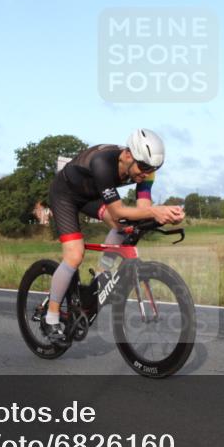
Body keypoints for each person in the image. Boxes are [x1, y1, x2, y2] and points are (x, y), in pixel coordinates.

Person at [44, 128, 184, 345]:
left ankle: (102, 274)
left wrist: (165, 216)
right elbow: (118, 211)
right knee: (75, 254)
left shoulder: (146, 170)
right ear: (128, 155)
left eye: (154, 169)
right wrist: (156, 211)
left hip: (91, 196)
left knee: (126, 226)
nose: (146, 173)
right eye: (144, 167)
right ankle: (51, 318)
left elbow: (143, 209)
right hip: (65, 195)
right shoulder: (103, 163)